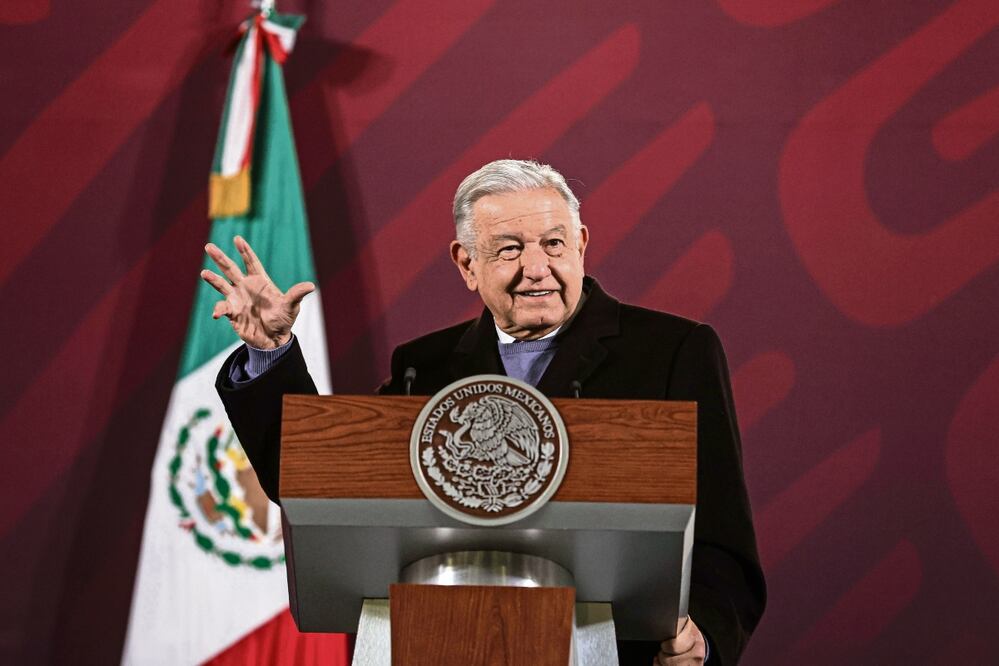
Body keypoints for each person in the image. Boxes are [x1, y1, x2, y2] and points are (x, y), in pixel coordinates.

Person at [203, 159, 766, 664]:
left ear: (581, 244)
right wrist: (272, 353)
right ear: (467, 264)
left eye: (553, 243)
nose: (538, 267)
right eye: (510, 249)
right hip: (439, 641)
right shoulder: (424, 366)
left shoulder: (672, 350)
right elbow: (315, 485)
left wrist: (705, 639)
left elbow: (721, 532)